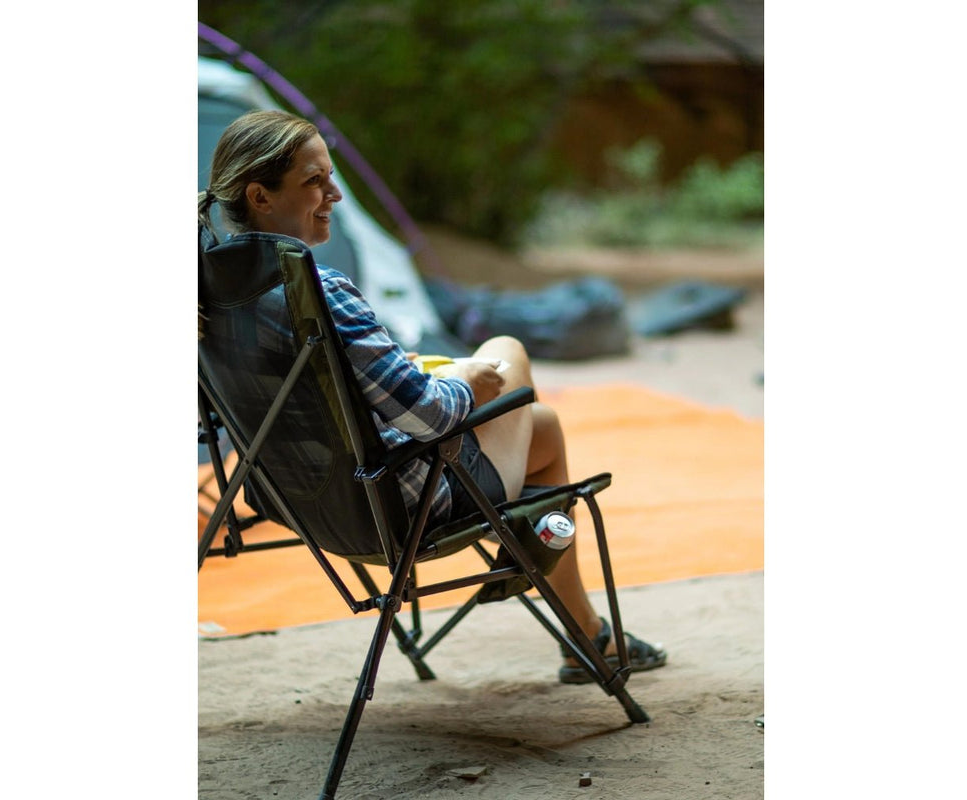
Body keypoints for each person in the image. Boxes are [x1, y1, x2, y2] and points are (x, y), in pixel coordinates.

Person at [199, 109, 665, 684]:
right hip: (399, 507)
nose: (335, 194)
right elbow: (429, 416)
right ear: (259, 196)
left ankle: (584, 630)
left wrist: (413, 374)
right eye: (314, 181)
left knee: (540, 428)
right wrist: (468, 380)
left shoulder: (204, 298)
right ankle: (553, 587)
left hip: (306, 504)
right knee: (507, 354)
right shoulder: (317, 292)